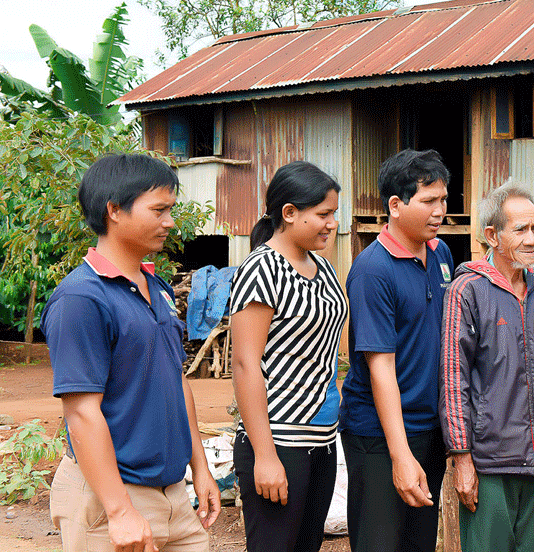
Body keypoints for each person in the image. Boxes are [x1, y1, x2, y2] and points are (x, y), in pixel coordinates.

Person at [44, 153, 220, 552]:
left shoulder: (155, 287)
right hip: (112, 496)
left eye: (170, 209)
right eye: (159, 209)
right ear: (113, 211)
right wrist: (120, 511)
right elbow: (82, 412)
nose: (170, 221)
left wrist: (200, 467)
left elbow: (176, 382)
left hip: (172, 493)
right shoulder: (81, 298)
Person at [338, 149, 453, 552]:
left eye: (443, 199)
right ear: (395, 205)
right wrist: (400, 455)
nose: (440, 210)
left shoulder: (441, 254)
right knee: (380, 542)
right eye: (428, 201)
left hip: (428, 427)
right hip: (379, 433)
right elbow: (379, 367)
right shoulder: (373, 270)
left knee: (418, 542)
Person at [440, 182, 534, 552]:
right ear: (492, 235)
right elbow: (452, 378)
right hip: (489, 463)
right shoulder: (467, 292)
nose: (532, 239)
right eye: (520, 229)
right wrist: (461, 457)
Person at [230, 161, 347, 552]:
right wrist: (264, 455)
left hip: (322, 441)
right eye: (323, 214)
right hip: (278, 441)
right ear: (290, 213)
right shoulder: (262, 268)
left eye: (334, 213)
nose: (332, 223)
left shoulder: (325, 269)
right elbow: (246, 363)